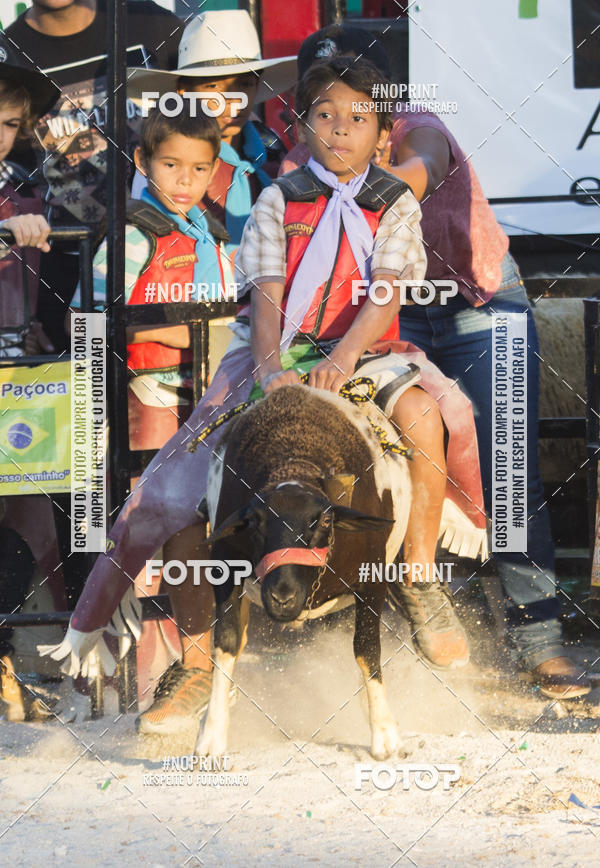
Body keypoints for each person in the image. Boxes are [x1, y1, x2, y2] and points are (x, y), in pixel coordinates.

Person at [41, 57, 489, 734]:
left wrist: (340, 360)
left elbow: (387, 291)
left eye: (357, 119)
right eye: (325, 116)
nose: (340, 131)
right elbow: (269, 289)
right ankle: (174, 652)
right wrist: (273, 365)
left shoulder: (394, 200)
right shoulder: (279, 197)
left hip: (364, 353)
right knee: (182, 477)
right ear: (299, 124)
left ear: (383, 132)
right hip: (270, 349)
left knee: (429, 415)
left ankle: (420, 575)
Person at [281, 24, 589, 699]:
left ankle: (538, 638)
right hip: (379, 321)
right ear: (302, 106)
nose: (340, 116)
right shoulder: (296, 168)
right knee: (371, 468)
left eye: (357, 100)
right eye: (323, 103)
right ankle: (423, 634)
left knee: (504, 464)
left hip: (477, 301)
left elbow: (408, 179)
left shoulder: (421, 134)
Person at [5, 0, 183, 352]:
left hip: (167, 272)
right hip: (63, 294)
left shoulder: (155, 28)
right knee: (88, 402)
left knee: (164, 399)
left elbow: (212, 130)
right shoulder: (8, 56)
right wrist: (24, 319)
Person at [0, 36, 66, 721]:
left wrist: (39, 321)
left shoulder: (25, 185)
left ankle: (17, 665)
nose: (3, 134)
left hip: (18, 366)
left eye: (13, 122)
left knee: (28, 517)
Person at [127, 9, 297, 252]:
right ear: (182, 90)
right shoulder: (164, 154)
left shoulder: (272, 151)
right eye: (213, 85)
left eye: (244, 84)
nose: (232, 99)